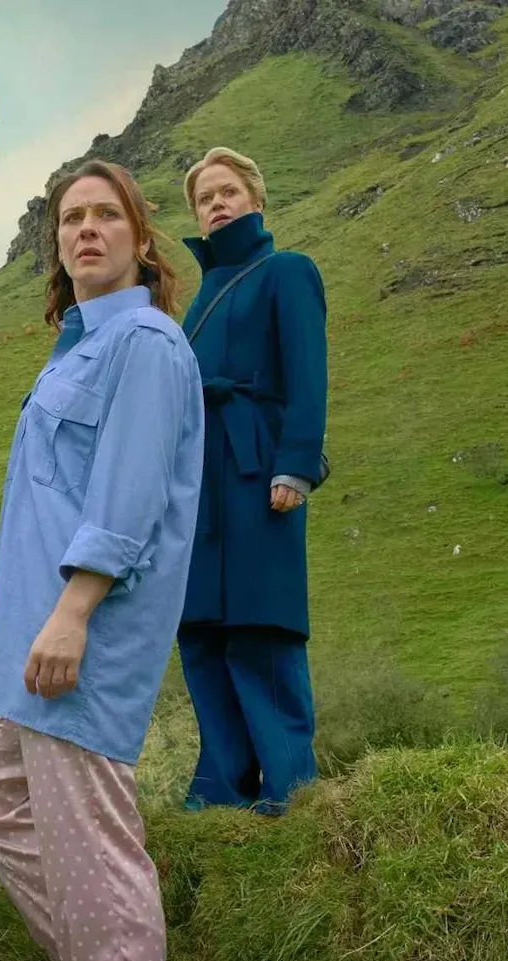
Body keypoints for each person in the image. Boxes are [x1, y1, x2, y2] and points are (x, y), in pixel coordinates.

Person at [0, 160, 202, 961]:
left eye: (106, 216)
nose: (85, 230)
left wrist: (74, 611)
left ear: (141, 238)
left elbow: (129, 497)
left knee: (94, 844)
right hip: (31, 632)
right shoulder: (80, 344)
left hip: (79, 633)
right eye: (70, 218)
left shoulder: (145, 343)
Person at [176, 146, 329, 814]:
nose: (216, 203)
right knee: (202, 626)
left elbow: (307, 372)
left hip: (256, 464)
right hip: (198, 481)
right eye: (205, 197)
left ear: (256, 199)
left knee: (261, 624)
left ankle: (290, 786)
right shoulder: (200, 297)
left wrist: (295, 464)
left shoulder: (288, 272)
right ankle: (220, 789)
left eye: (227, 191)